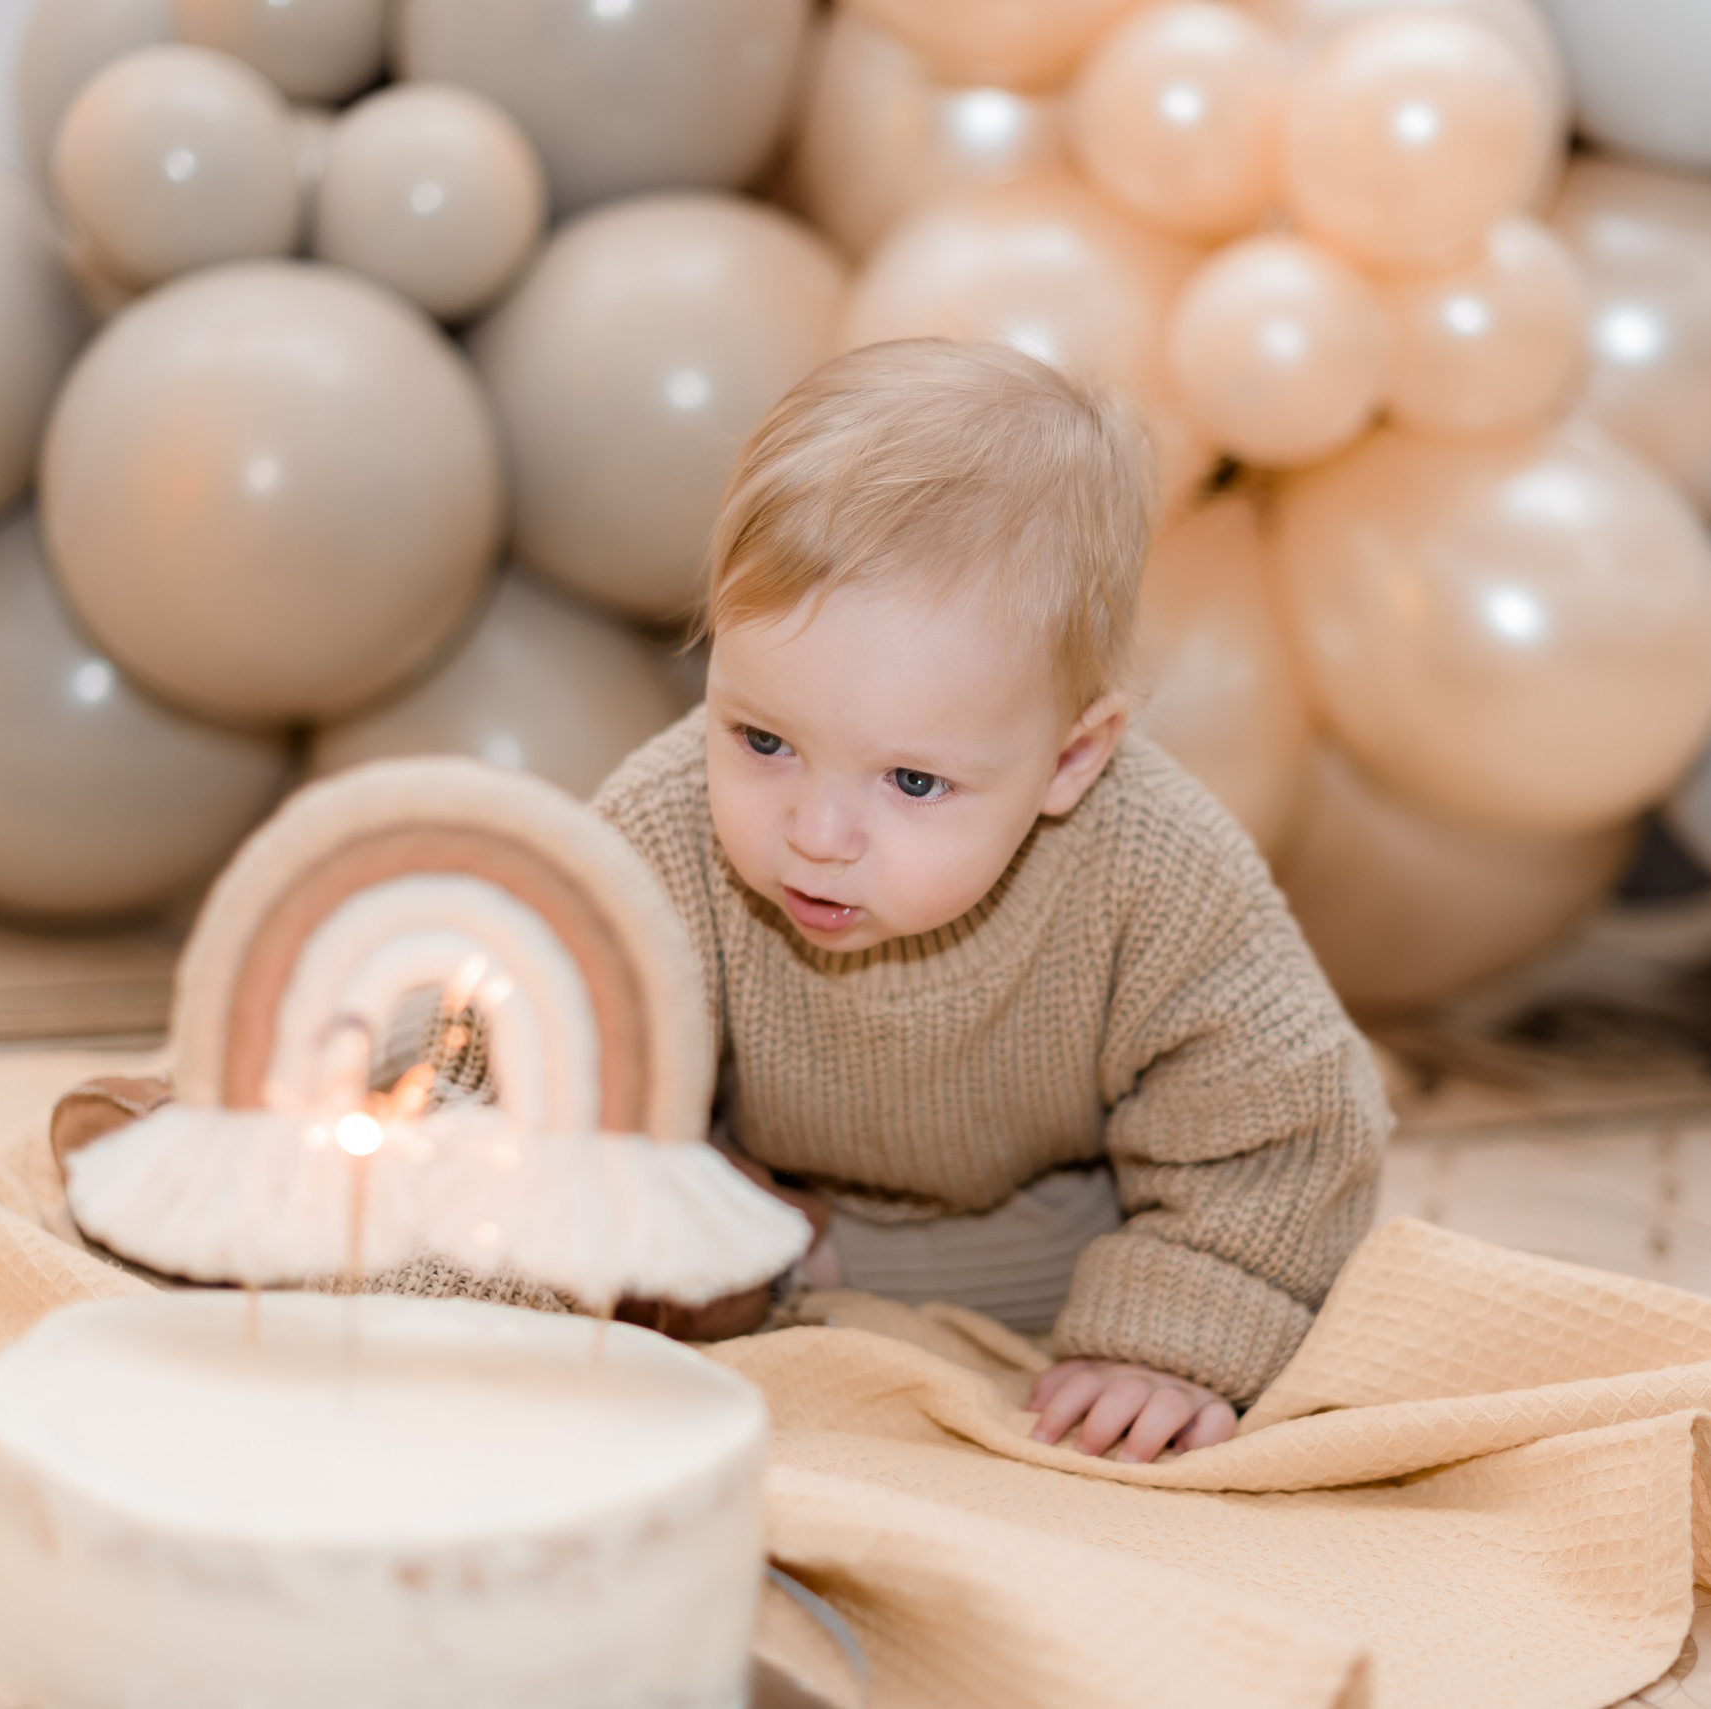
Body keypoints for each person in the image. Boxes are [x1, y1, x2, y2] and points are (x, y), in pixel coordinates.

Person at [595, 338, 1389, 1463]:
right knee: (617, 1234)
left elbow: (1286, 1117)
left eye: (912, 780)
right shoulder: (666, 825)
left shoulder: (1151, 866)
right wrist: (417, 1138)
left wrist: (1177, 1332)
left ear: (1071, 759)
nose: (816, 835)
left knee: (1195, 1252)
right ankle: (757, 1253)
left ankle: (808, 1267)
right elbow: (517, 1003)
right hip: (750, 1174)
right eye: (762, 738)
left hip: (1056, 1214)